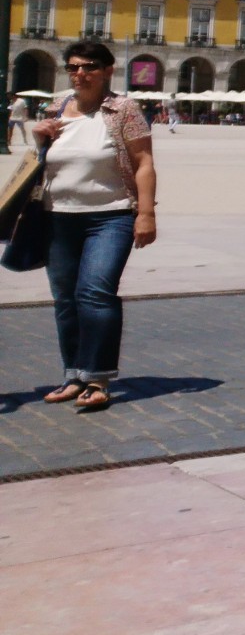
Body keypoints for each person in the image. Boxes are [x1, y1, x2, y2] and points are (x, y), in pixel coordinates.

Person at [36, 40, 159, 413]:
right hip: (58, 216)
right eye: (73, 67)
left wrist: (146, 213)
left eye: (89, 66)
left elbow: (144, 162)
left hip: (111, 215)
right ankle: (74, 374)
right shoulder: (58, 106)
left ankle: (97, 378)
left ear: (107, 71)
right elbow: (45, 161)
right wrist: (40, 139)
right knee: (65, 299)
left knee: (96, 293)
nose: (80, 73)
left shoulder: (124, 109)